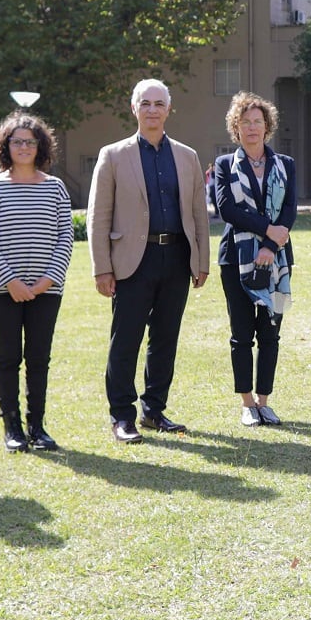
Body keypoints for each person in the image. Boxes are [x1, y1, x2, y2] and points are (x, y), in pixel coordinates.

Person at [87, 78, 210, 444]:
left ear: (169, 109)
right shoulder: (113, 155)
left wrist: (201, 261)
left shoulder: (187, 157)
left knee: (165, 339)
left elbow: (198, 214)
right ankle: (122, 416)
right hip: (130, 261)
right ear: (134, 109)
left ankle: (154, 410)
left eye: (159, 103)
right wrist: (101, 267)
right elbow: (98, 216)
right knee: (125, 340)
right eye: (145, 103)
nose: (152, 109)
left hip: (176, 257)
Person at [0, 113, 73, 453]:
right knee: (7, 358)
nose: (23, 147)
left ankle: (37, 427)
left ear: (40, 146)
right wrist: (12, 281)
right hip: (1, 291)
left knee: (38, 358)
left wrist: (48, 280)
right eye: (16, 141)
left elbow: (65, 237)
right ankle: (12, 428)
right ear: (6, 146)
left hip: (47, 290)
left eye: (30, 141)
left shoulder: (55, 187)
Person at [214, 92, 298, 427]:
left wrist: (270, 246)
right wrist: (267, 232)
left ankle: (265, 401)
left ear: (267, 126)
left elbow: (290, 210)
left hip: (277, 261)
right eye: (245, 122)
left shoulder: (286, 165)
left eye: (257, 121)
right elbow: (227, 209)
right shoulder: (224, 165)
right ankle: (247, 403)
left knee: (271, 332)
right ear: (236, 127)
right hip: (235, 259)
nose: (252, 127)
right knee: (241, 334)